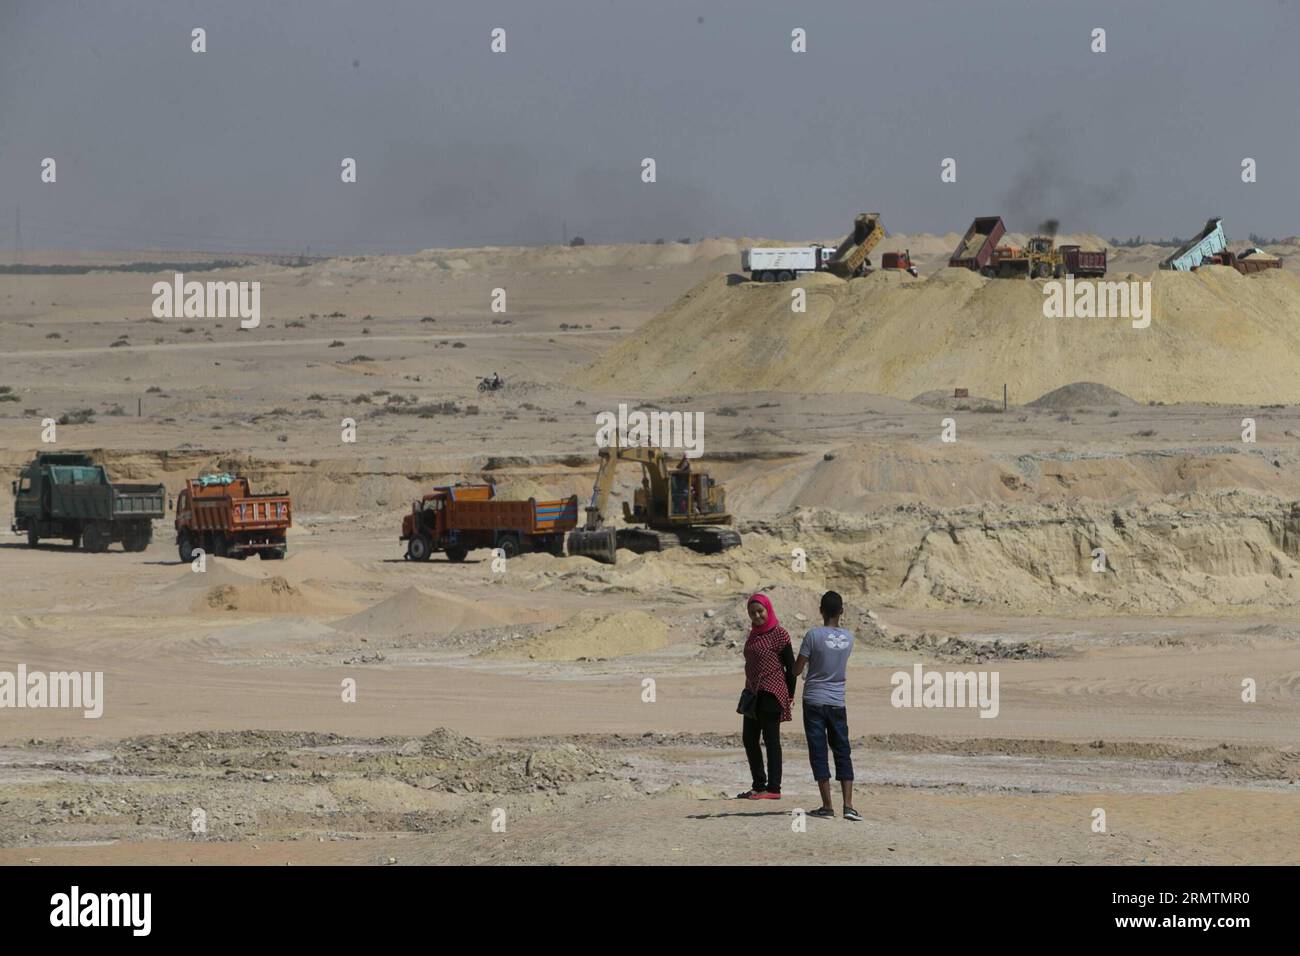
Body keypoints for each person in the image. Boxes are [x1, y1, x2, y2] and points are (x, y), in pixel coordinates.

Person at [794, 591, 859, 820]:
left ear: (820, 610)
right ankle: (848, 805)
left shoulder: (813, 636)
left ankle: (827, 806)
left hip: (813, 700)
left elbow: (797, 669)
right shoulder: (849, 638)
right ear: (842, 611)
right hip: (837, 701)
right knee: (842, 750)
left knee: (818, 751)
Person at [737, 593, 796, 800]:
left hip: (772, 693)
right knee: (749, 739)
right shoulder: (753, 634)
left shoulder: (779, 634)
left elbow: (791, 667)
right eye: (752, 613)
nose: (757, 616)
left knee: (771, 740)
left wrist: (790, 694)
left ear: (768, 610)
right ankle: (758, 785)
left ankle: (774, 789)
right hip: (753, 694)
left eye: (760, 611)